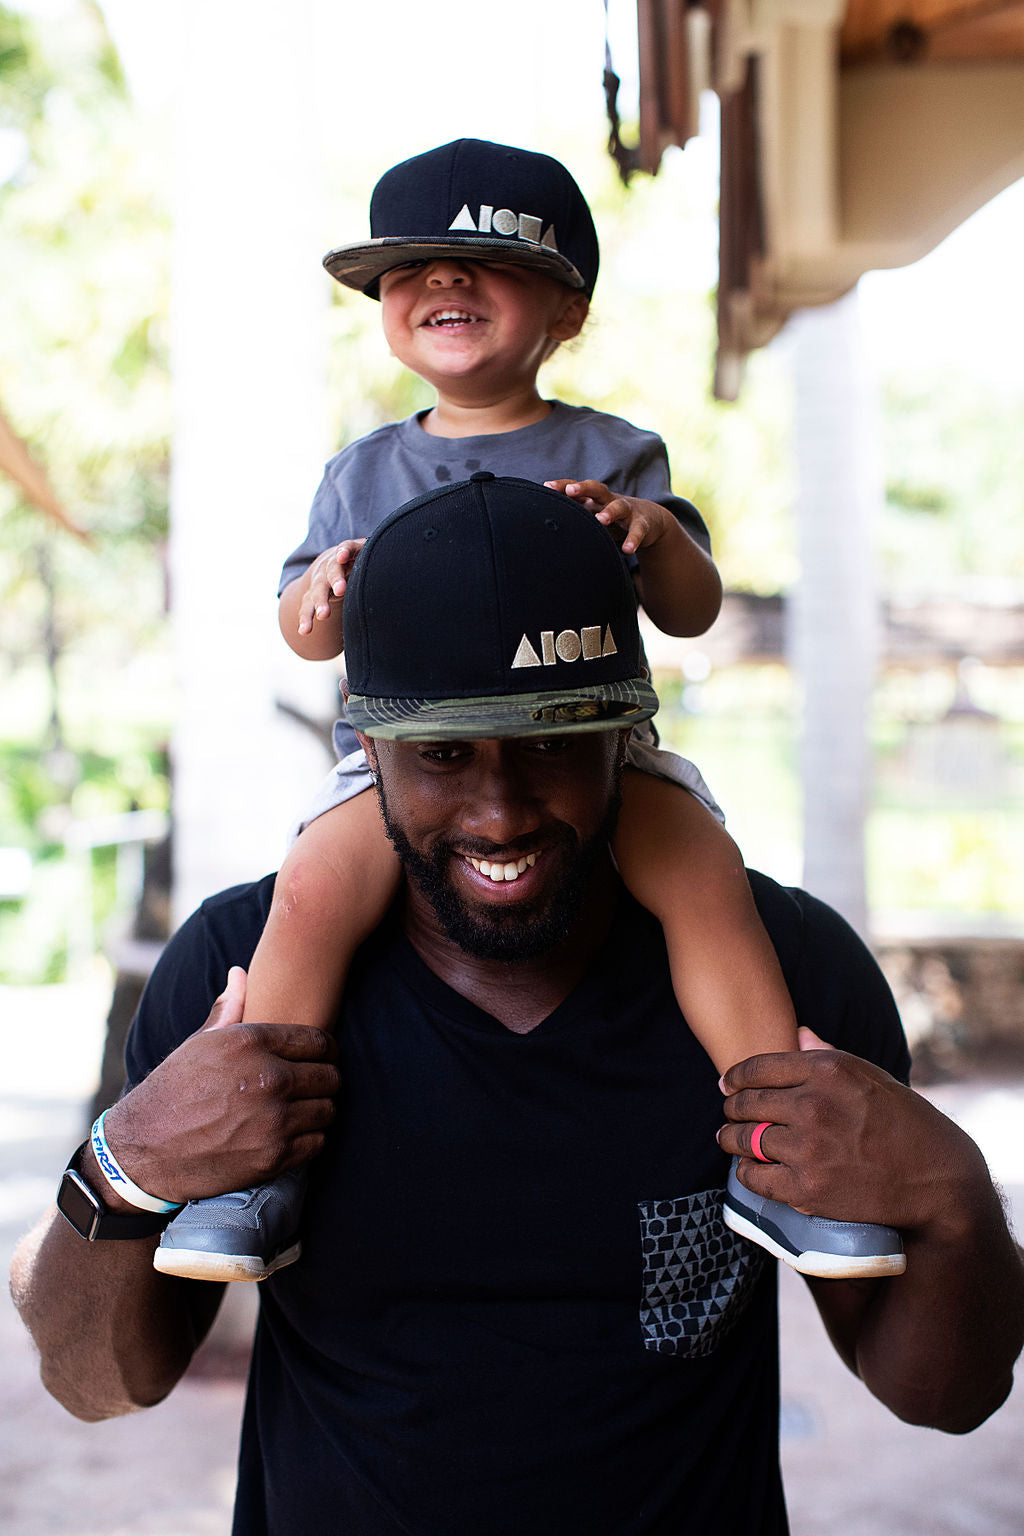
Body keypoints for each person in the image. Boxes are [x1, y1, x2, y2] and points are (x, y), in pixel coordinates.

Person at [12, 475, 1024, 1536]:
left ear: (626, 738)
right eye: (445, 753)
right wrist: (120, 1167)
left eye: (549, 742)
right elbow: (98, 1383)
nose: (499, 811)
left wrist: (955, 1198)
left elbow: (945, 1396)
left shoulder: (788, 971)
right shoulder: (239, 971)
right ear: (366, 750)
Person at [151, 138, 900, 1285]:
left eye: (482, 264)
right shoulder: (362, 472)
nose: (441, 284)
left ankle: (775, 1154)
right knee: (306, 893)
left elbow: (692, 609)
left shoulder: (610, 450)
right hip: (404, 765)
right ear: (383, 309)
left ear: (568, 308)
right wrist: (323, 591)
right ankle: (257, 1167)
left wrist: (651, 539)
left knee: (705, 878)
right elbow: (303, 633)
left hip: (586, 756)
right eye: (408, 271)